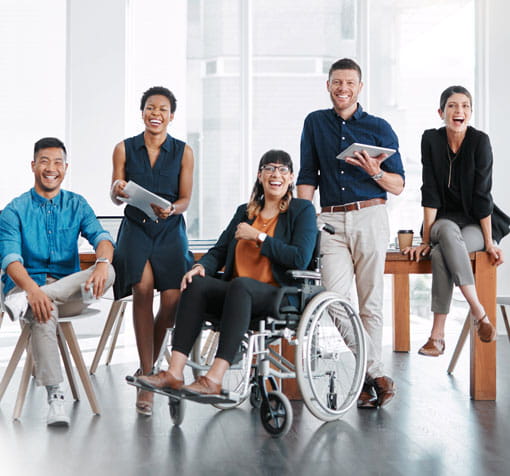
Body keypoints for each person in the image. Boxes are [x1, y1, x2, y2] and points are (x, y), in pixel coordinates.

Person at [136, 149, 316, 396]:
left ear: (291, 178)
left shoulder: (301, 210)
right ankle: (173, 373)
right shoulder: (246, 211)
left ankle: (214, 379)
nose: (276, 174)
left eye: (283, 169)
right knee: (196, 282)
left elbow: (300, 258)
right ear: (260, 175)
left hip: (276, 293)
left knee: (241, 285)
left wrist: (259, 237)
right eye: (269, 168)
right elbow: (219, 251)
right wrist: (201, 267)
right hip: (237, 292)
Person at [297, 58, 405, 409]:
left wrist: (375, 171)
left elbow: (399, 185)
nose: (342, 88)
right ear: (328, 85)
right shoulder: (314, 122)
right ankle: (374, 373)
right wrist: (303, 217)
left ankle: (363, 380)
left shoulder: (379, 127)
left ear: (360, 87)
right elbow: (307, 175)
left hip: (370, 215)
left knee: (371, 303)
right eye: (336, 82)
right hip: (330, 221)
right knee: (332, 297)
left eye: (349, 83)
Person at [0, 137, 115, 427]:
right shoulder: (14, 210)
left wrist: (102, 264)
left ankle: (30, 299)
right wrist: (31, 290)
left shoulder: (77, 204)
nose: (51, 168)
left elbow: (102, 238)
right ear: (33, 166)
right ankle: (56, 396)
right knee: (43, 309)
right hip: (29, 287)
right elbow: (11, 259)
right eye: (45, 161)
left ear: (65, 168)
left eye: (58, 162)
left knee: (110, 271)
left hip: (68, 292)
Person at [403, 85, 510, 356]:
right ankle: (479, 311)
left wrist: (489, 242)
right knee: (447, 233)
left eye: (464, 106)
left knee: (441, 255)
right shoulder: (431, 140)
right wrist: (426, 239)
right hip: (442, 221)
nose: (458, 110)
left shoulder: (480, 141)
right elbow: (429, 191)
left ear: (470, 112)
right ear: (441, 112)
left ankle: (436, 337)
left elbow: (482, 195)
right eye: (451, 106)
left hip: (475, 223)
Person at [110, 86, 194, 416]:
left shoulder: (184, 151)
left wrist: (173, 209)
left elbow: (186, 198)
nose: (155, 113)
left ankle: (153, 365)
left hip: (171, 229)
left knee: (173, 299)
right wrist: (118, 190)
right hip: (136, 229)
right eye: (149, 108)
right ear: (142, 112)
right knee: (142, 289)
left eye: (162, 109)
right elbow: (116, 193)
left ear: (171, 116)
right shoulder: (123, 148)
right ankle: (146, 376)